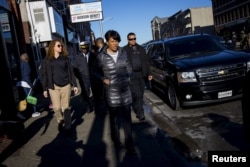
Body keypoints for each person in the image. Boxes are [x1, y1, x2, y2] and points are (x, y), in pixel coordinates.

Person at [93, 30, 136, 155]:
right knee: (114, 120)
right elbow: (94, 71)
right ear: (107, 42)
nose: (115, 43)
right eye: (112, 41)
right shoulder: (101, 57)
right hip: (111, 93)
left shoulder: (123, 53)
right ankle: (116, 140)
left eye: (116, 41)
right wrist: (103, 79)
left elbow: (129, 67)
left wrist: (129, 76)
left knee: (127, 120)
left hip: (125, 91)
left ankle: (130, 145)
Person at [40, 39, 78, 136]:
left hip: (66, 85)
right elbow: (44, 75)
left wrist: (75, 85)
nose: (60, 47)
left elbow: (71, 72)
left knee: (66, 107)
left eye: (61, 45)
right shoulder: (46, 60)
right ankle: (60, 121)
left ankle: (68, 127)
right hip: (53, 87)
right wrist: (44, 89)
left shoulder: (65, 58)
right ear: (53, 47)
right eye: (58, 46)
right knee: (56, 107)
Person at [123, 32, 152, 121]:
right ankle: (141, 113)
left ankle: (137, 107)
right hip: (132, 75)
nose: (133, 40)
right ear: (128, 40)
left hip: (141, 74)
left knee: (140, 94)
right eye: (131, 39)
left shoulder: (141, 49)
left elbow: (146, 61)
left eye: (134, 38)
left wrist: (149, 73)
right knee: (137, 94)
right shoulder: (124, 50)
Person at [74, 41, 96, 113]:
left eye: (86, 48)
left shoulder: (93, 55)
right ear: (81, 48)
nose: (85, 50)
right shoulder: (78, 57)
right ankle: (88, 106)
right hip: (83, 78)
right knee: (86, 93)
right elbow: (75, 68)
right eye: (83, 49)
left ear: (88, 47)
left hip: (93, 77)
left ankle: (96, 105)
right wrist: (79, 77)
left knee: (96, 92)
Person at [19, 53, 40, 118]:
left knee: (28, 98)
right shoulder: (26, 65)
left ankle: (23, 112)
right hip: (27, 84)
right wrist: (31, 85)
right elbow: (26, 77)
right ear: (26, 58)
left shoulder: (21, 64)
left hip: (22, 83)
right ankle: (34, 111)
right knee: (30, 98)